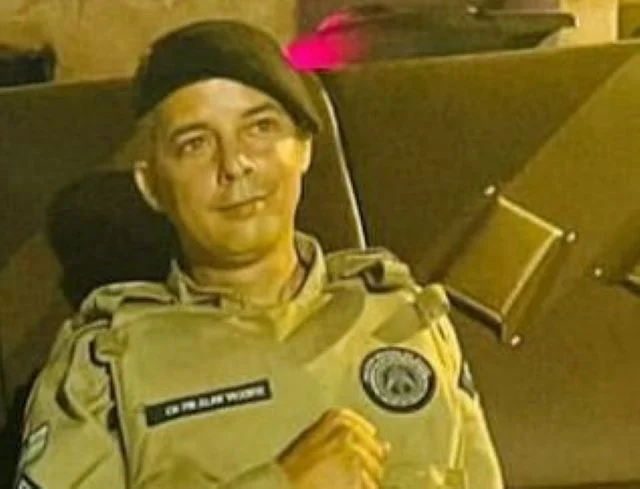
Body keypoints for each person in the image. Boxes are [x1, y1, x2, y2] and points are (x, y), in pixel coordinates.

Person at [14, 20, 503, 489]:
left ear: (304, 148)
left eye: (260, 128)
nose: (234, 164)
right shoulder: (107, 365)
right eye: (195, 144)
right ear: (152, 186)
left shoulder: (405, 317)